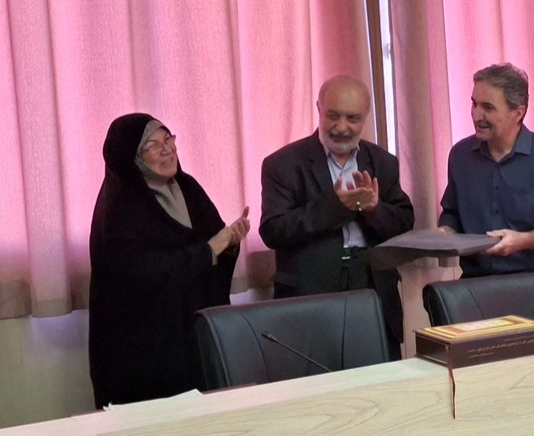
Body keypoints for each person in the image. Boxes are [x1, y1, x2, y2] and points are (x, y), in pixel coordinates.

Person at [89, 113, 249, 407]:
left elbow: (214, 246)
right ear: (131, 158)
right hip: (147, 349)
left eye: (168, 139)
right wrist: (210, 249)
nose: (167, 150)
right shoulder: (119, 209)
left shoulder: (189, 189)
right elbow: (140, 277)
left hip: (194, 335)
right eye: (152, 146)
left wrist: (229, 245)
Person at [259, 75, 413, 360]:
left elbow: (403, 222)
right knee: (317, 379)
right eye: (333, 116)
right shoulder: (283, 164)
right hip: (310, 292)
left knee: (379, 376)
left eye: (352, 118)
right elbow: (273, 230)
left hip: (371, 286)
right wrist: (335, 207)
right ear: (319, 108)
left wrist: (374, 208)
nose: (341, 127)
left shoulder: (383, 162)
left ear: (366, 116)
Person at [438, 63, 534, 278]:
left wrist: (524, 240)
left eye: (488, 107)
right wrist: (446, 231)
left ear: (518, 113)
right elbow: (452, 213)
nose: (476, 115)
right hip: (475, 281)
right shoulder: (460, 156)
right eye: (474, 104)